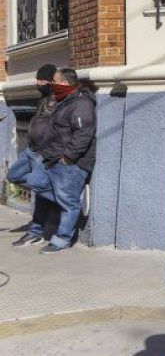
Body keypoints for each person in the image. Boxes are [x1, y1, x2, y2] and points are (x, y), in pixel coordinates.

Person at [34, 68, 97, 254]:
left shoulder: (81, 103)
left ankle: (62, 239)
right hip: (52, 159)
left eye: (55, 80)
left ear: (64, 83)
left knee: (68, 202)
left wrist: (68, 157)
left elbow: (84, 133)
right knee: (36, 183)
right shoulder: (63, 100)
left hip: (70, 163)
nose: (52, 84)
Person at [9, 64, 60, 248]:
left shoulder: (58, 99)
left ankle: (35, 232)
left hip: (43, 152)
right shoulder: (43, 98)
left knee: (38, 190)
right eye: (37, 80)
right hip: (31, 150)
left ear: (52, 81)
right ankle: (56, 195)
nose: (38, 83)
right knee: (13, 175)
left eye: (42, 80)